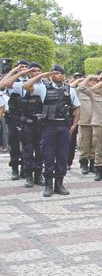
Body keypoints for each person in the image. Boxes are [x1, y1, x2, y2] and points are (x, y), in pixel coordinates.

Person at [22, 65, 81, 196]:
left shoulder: (70, 90)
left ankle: (59, 184)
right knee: (48, 155)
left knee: (62, 156)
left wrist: (74, 125)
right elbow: (26, 86)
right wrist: (42, 75)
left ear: (64, 75)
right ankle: (48, 185)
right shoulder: (43, 88)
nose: (58, 75)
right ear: (51, 75)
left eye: (61, 73)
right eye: (55, 73)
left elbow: (77, 107)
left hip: (64, 127)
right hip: (48, 127)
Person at [1, 62, 46, 187]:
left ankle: (38, 174)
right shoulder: (22, 86)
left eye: (39, 71)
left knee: (40, 150)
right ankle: (27, 175)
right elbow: (5, 84)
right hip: (27, 123)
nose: (36, 73)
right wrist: (20, 72)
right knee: (27, 150)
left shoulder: (46, 85)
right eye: (33, 71)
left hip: (41, 124)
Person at [76, 74, 96, 175]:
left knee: (94, 144)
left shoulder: (98, 91)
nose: (93, 82)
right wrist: (87, 78)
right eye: (91, 80)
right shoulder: (82, 92)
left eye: (95, 80)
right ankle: (84, 164)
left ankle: (93, 164)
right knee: (84, 144)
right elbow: (80, 87)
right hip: (84, 122)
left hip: (97, 122)